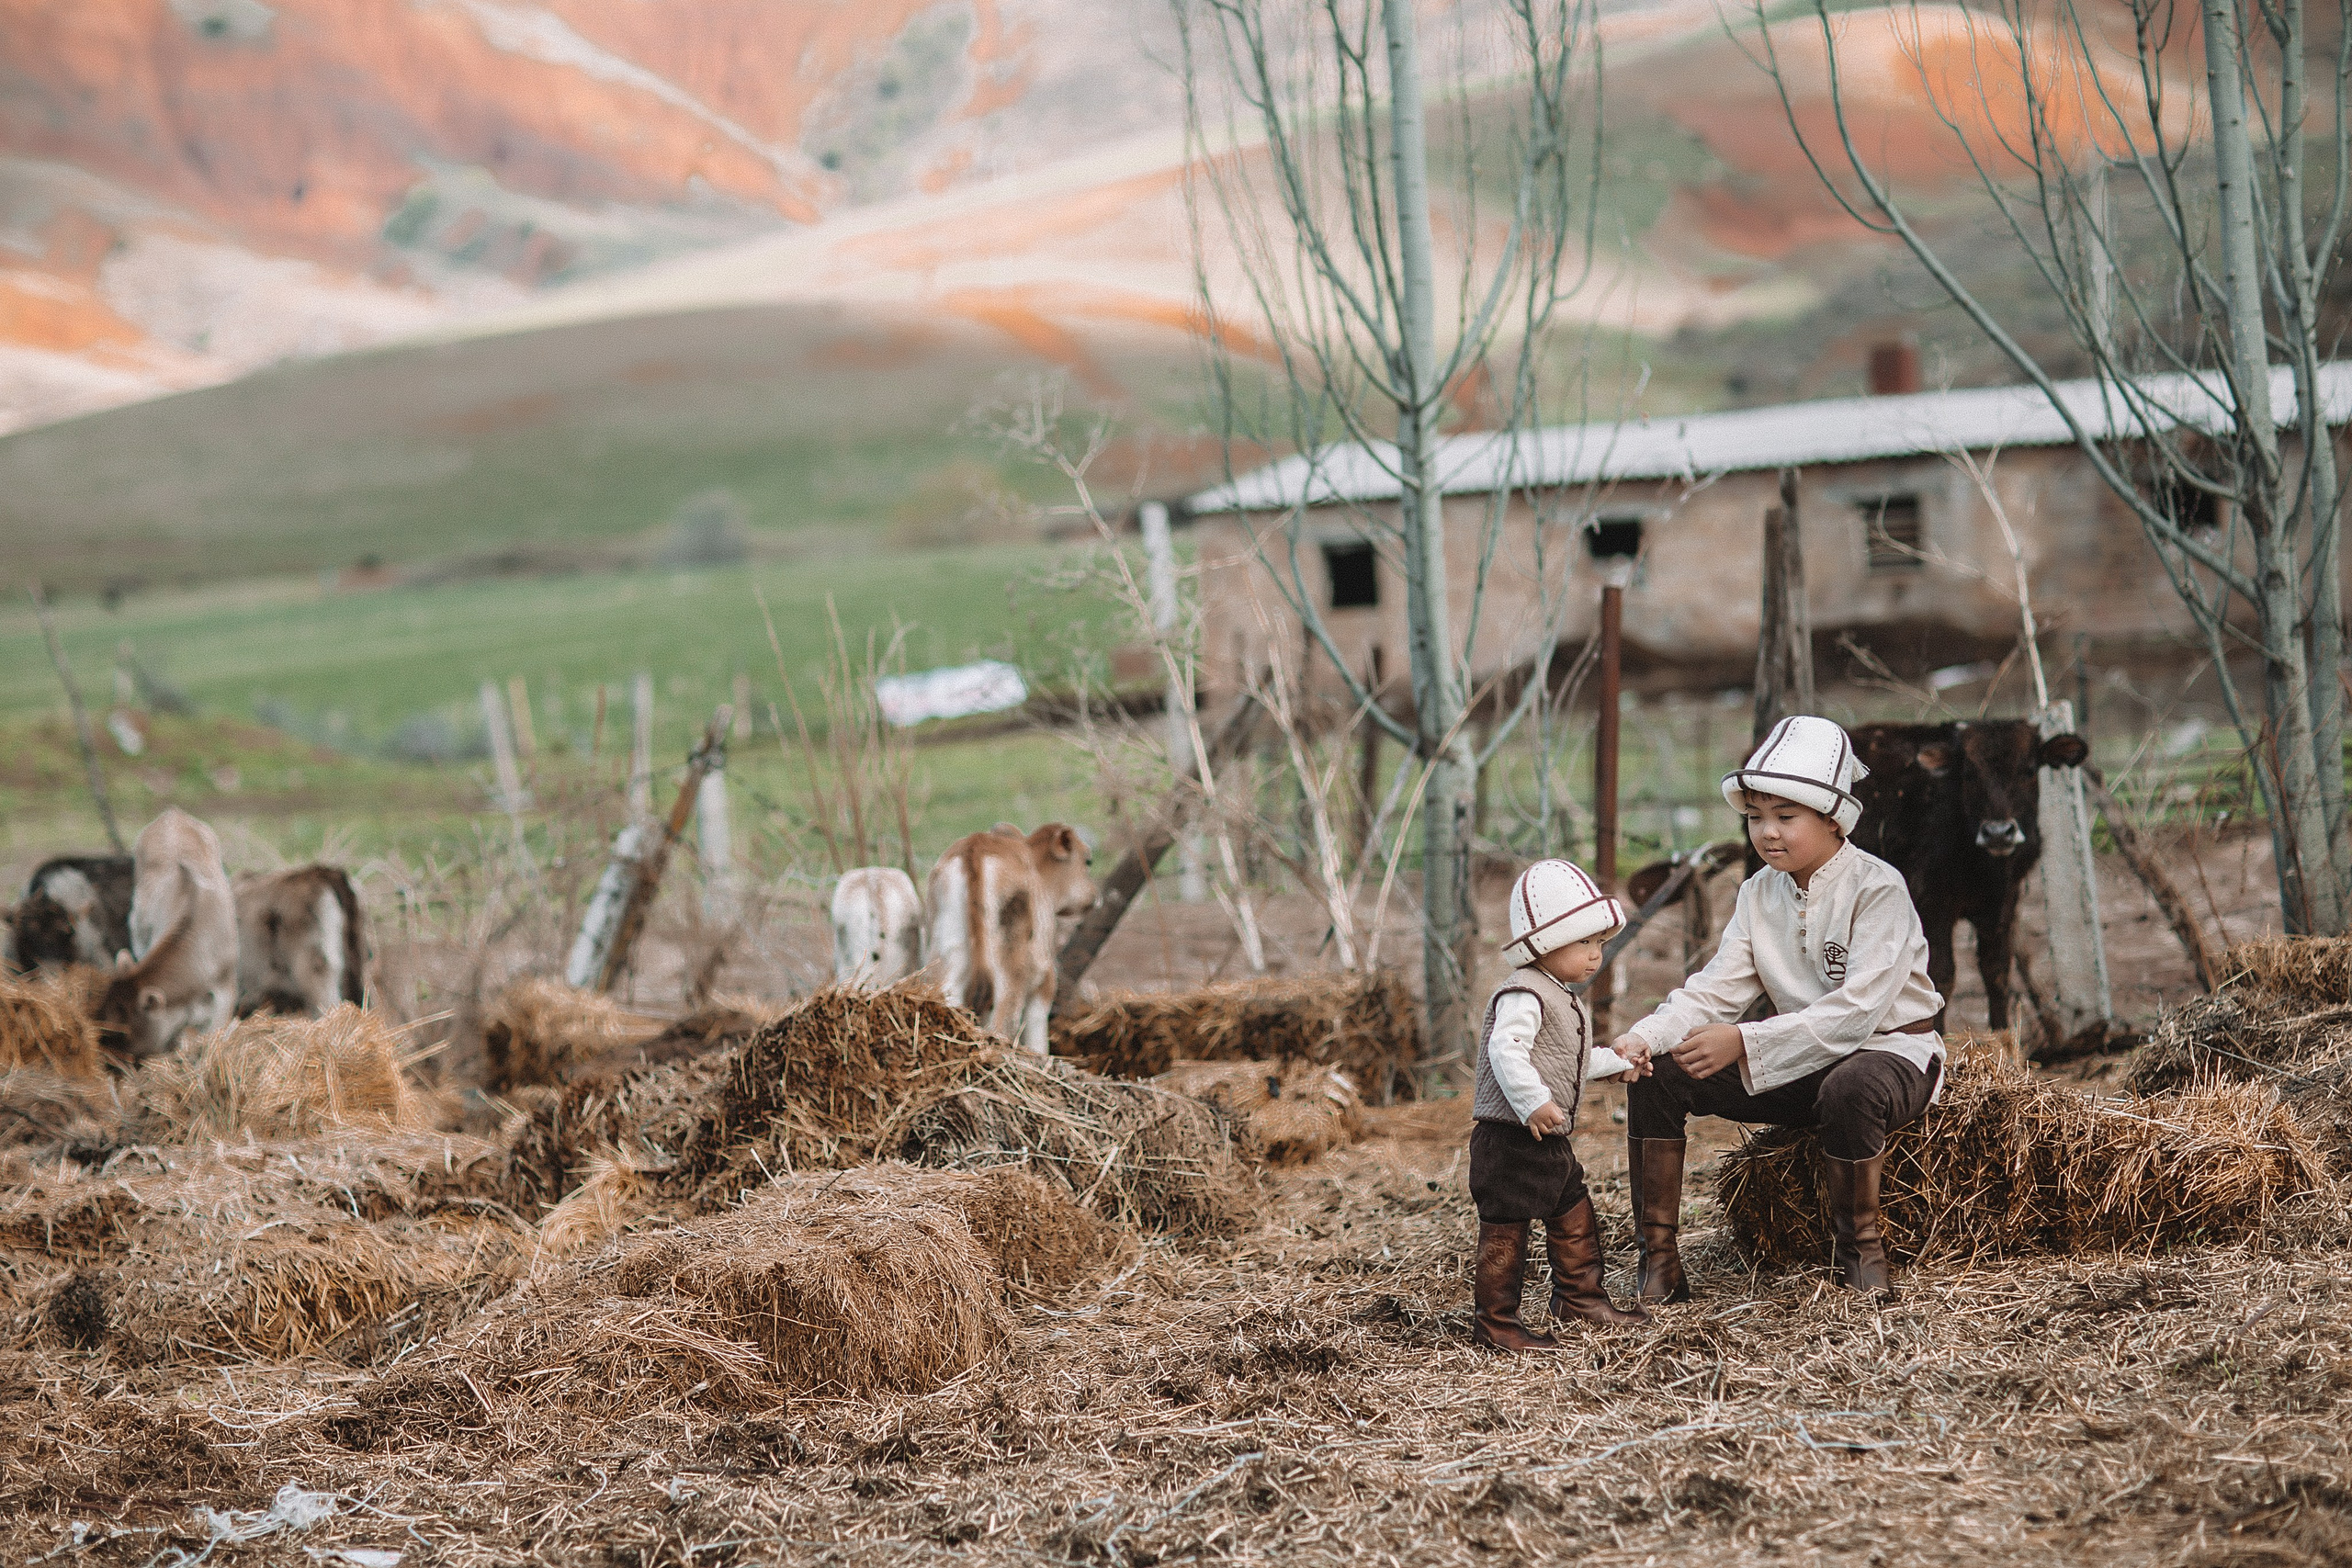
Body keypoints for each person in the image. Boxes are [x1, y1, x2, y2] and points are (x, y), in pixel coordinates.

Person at [1612, 715, 1946, 1302]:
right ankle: (1658, 1263)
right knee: (1659, 1078)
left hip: (1890, 1051)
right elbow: (1715, 990)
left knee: (1852, 1088)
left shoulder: (1877, 888)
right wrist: (1649, 1034)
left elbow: (1858, 1012)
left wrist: (1744, 1041)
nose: (1767, 832)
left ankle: (1860, 1258)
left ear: (1834, 819)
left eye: (1786, 817)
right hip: (1798, 1060)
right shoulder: (1758, 892)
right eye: (1755, 817)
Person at [1468, 859, 1653, 1350]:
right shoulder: (1524, 994)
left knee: (1573, 1212)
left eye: (1599, 943)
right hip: (1511, 1135)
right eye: (1583, 943)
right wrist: (1531, 1103)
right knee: (1505, 1229)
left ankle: (1580, 1299)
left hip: (1546, 1137)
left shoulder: (1559, 993)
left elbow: (1564, 1060)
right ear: (1546, 944)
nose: (1596, 955)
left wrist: (1616, 1062)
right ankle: (1498, 1323)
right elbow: (1505, 1051)